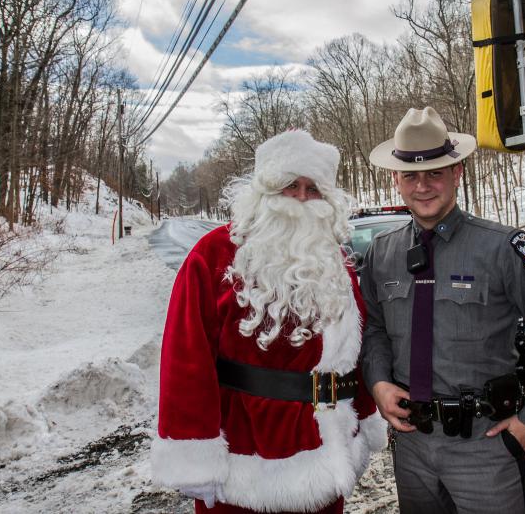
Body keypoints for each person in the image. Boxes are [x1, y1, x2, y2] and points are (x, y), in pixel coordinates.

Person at [360, 107, 525, 514]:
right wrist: (377, 382)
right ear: (395, 179)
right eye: (410, 175)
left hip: (485, 447)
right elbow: (374, 330)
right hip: (411, 446)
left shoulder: (504, 247)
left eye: (435, 172)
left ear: (457, 171)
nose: (423, 186)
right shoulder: (382, 253)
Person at [151, 130, 386, 514]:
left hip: (327, 460)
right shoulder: (213, 254)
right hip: (244, 467)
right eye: (291, 185)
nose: (301, 198)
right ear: (265, 190)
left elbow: (352, 349)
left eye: (313, 189)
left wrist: (365, 414)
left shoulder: (334, 260)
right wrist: (194, 454)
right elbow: (185, 358)